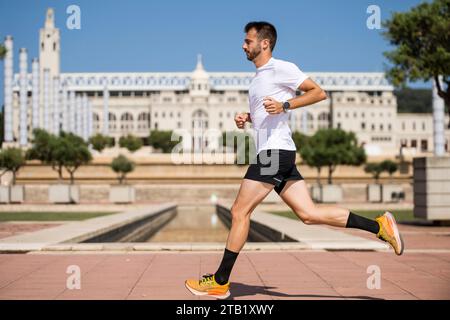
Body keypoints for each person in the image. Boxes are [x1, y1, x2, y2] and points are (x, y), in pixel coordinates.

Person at [185, 21, 404, 300]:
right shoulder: (258, 79)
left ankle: (220, 281)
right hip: (278, 152)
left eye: (248, 41)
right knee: (308, 214)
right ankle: (380, 226)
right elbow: (270, 114)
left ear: (264, 43)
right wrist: (248, 118)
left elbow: (318, 92)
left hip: (274, 154)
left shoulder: (281, 68)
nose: (243, 45)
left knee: (239, 212)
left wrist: (286, 104)